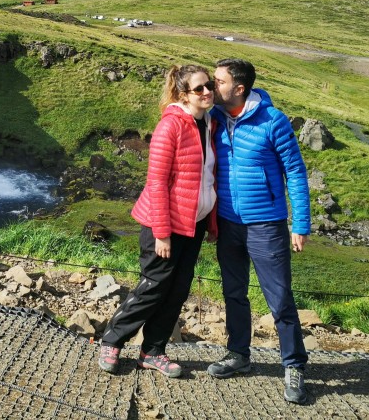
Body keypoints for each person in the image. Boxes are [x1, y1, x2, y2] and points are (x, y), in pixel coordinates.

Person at [99, 64, 218, 378]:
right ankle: (112, 340)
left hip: (194, 224)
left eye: (210, 86)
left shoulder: (208, 123)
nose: (207, 92)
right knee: (153, 287)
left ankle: (152, 351)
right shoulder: (171, 127)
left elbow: (208, 178)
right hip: (163, 225)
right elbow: (156, 183)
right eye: (199, 89)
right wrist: (163, 234)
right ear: (183, 94)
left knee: (177, 291)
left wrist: (212, 223)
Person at [207, 58, 311, 404]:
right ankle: (239, 355)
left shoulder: (273, 121)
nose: (211, 85)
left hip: (266, 224)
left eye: (218, 81)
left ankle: (294, 365)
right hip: (228, 222)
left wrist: (301, 223)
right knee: (234, 292)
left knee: (279, 298)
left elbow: (295, 171)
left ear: (239, 88)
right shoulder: (215, 119)